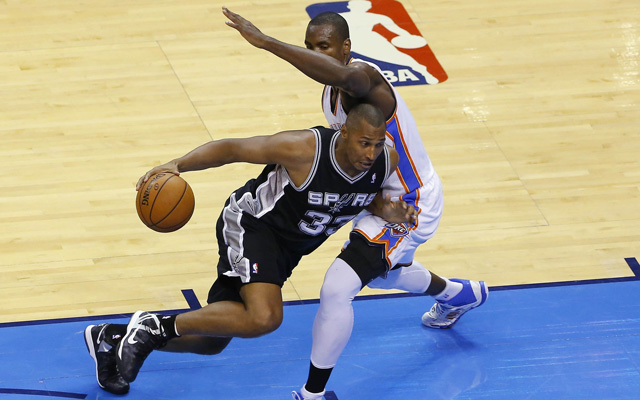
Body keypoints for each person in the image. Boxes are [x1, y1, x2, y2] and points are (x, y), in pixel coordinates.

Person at [222, 8, 488, 400]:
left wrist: (266, 42)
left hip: (411, 202)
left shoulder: (366, 81)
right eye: (311, 47)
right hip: (377, 197)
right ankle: (457, 294)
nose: (317, 54)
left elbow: (343, 75)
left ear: (347, 48)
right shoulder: (331, 97)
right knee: (381, 271)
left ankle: (313, 394)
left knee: (338, 287)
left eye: (325, 47)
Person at [83, 104, 417, 394]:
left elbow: (361, 197)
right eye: (363, 143)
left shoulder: (383, 161)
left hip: (285, 251)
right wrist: (178, 165)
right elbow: (232, 148)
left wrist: (389, 212)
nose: (370, 153)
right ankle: (153, 326)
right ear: (343, 133)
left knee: (212, 340)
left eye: (376, 143)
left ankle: (111, 337)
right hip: (252, 225)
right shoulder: (304, 149)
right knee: (265, 317)